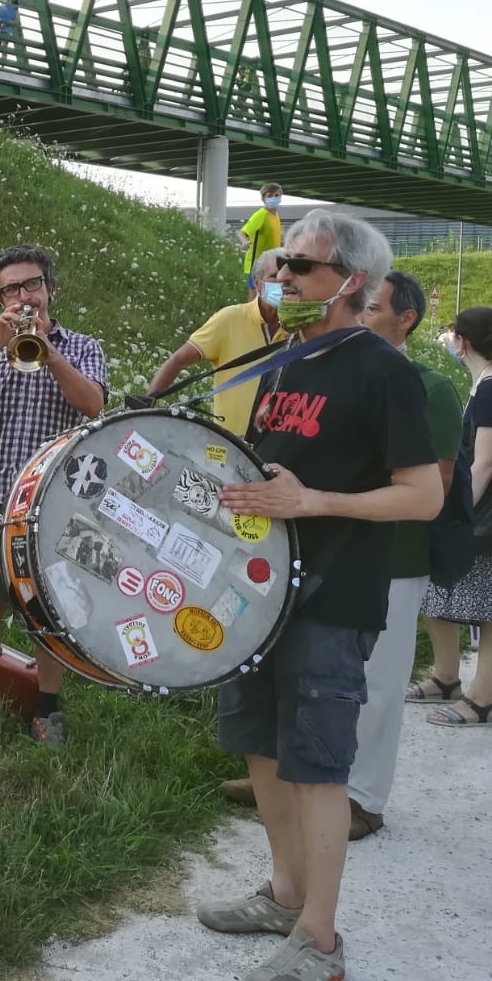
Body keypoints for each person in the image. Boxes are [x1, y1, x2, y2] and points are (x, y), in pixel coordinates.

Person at [196, 211, 441, 981]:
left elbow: (424, 496)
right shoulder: (286, 360)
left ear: (352, 281)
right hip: (259, 594)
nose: (283, 276)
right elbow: (272, 466)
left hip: (333, 597)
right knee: (261, 747)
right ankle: (285, 895)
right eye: (281, 262)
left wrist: (314, 502)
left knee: (317, 766)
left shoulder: (385, 371)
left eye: (300, 266)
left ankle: (321, 941)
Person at [217, 270, 463, 840]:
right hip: (300, 559)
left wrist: (319, 501)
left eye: (372, 309)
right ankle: (285, 782)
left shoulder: (424, 386)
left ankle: (362, 798)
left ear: (405, 320)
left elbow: (436, 485)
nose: (360, 318)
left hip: (390, 557)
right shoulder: (296, 367)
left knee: (370, 686)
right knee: (303, 691)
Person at [0, 246, 107, 747]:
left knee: (50, 608)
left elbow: (93, 405)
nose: (23, 296)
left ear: (50, 289)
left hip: (56, 500)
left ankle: (47, 707)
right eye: (11, 289)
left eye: (31, 284)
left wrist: (48, 352)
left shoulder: (83, 347)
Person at [412, 304, 492, 729]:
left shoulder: (490, 389)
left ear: (462, 342)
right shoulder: (482, 384)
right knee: (438, 591)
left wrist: (453, 511)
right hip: (478, 513)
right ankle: (446, 677)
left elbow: (485, 462)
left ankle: (482, 699)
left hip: (481, 516)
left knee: (487, 608)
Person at [144, 252, 285, 437]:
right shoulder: (230, 318)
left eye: (287, 278)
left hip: (274, 442)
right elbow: (178, 360)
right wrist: (145, 408)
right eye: (275, 276)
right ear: (257, 282)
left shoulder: (300, 330)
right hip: (229, 441)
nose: (282, 284)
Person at [236, 184, 284, 289]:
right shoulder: (261, 215)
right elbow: (241, 233)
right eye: (269, 196)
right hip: (256, 265)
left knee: (267, 295)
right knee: (255, 295)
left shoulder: (276, 216)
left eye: (276, 195)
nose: (273, 198)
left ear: (281, 197)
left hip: (271, 264)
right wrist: (244, 242)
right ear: (263, 198)